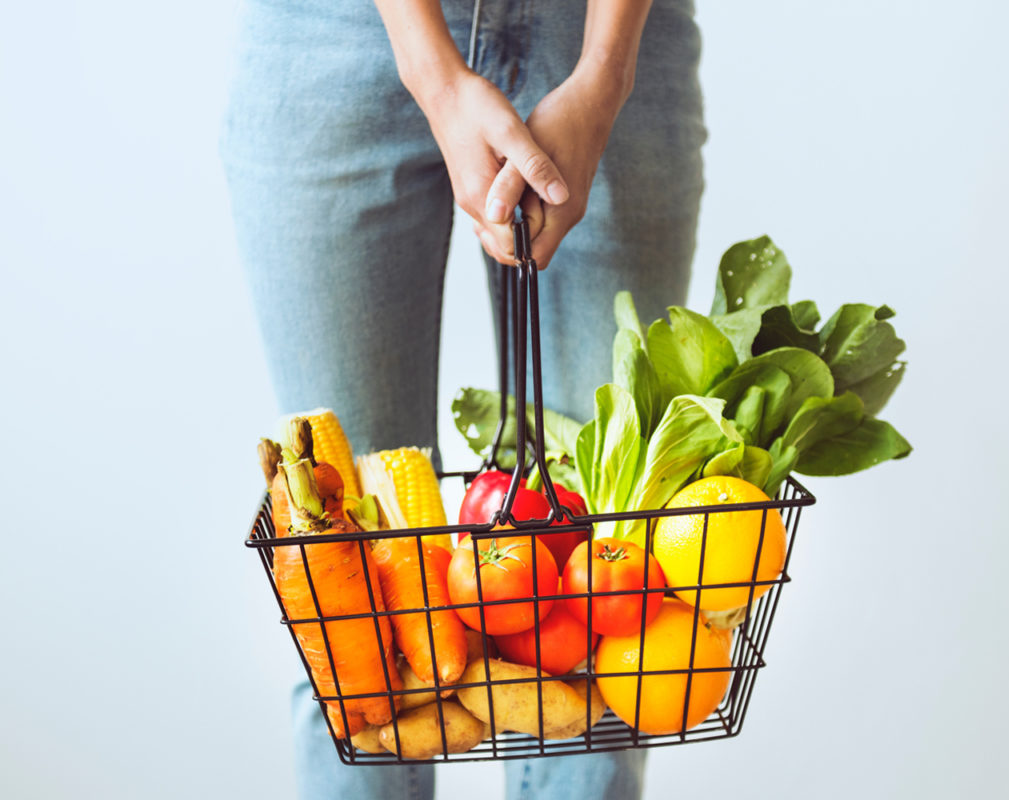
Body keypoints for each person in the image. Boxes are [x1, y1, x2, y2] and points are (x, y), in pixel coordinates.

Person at [222, 0, 705, 797]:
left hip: (605, 32)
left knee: (606, 623)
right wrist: (431, 71)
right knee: (353, 637)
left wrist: (605, 70)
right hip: (334, 34)